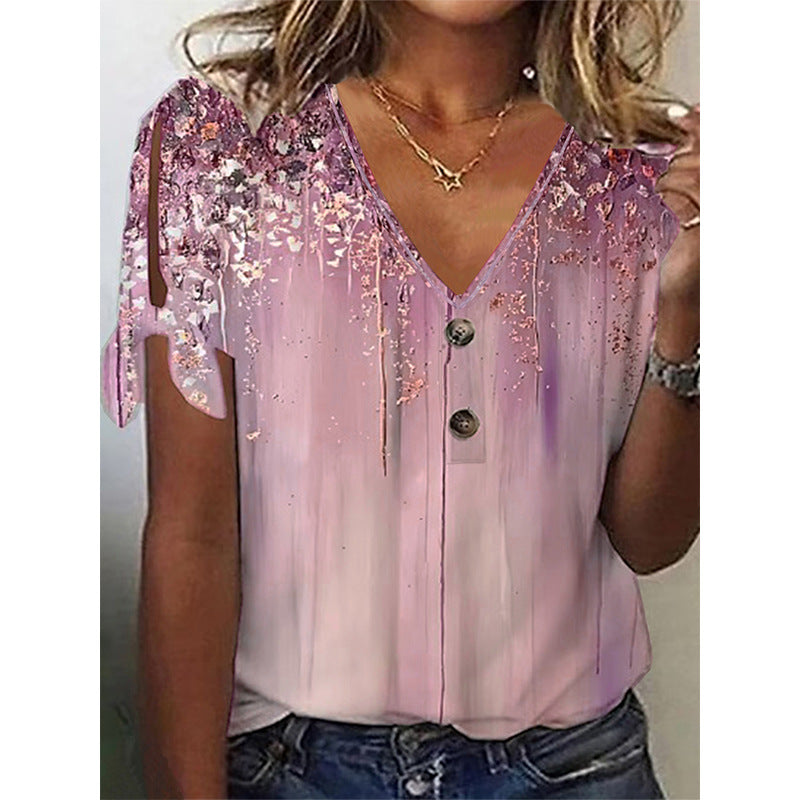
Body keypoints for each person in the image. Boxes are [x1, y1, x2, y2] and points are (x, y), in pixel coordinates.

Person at [101, 1, 700, 797]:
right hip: (290, 772)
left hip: (576, 767)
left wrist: (690, 312)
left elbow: (651, 539)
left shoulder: (649, 176)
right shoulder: (222, 149)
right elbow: (191, 533)